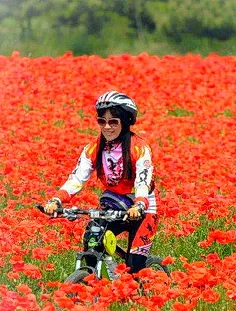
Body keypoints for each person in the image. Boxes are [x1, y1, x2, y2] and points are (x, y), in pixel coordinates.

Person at [44, 91, 158, 274]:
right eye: (101, 121)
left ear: (127, 121)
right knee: (92, 239)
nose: (107, 127)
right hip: (114, 202)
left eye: (113, 121)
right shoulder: (93, 148)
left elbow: (142, 181)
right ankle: (91, 278)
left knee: (135, 267)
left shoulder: (139, 148)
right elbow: (77, 177)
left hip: (142, 206)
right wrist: (57, 200)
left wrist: (140, 204)